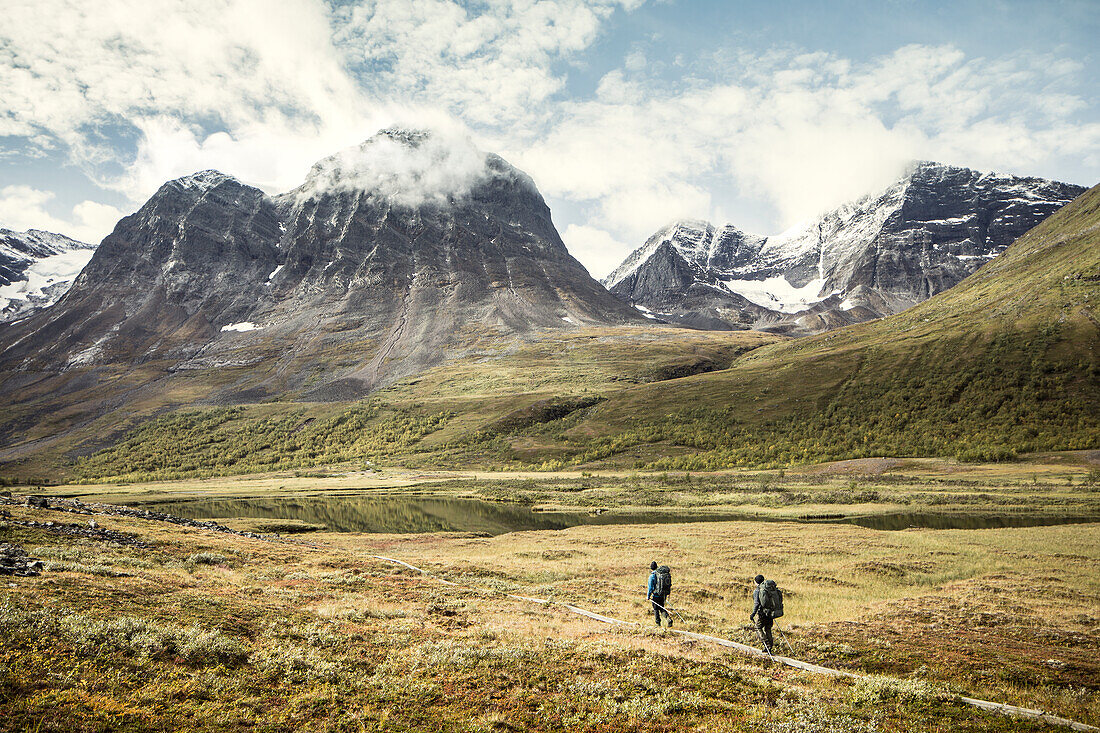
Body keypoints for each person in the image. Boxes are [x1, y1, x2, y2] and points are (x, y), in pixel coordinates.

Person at [749, 574, 774, 652]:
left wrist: (753, 614)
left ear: (756, 582)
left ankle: (766, 645)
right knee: (768, 629)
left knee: (758, 627)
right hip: (770, 612)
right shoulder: (768, 589)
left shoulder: (757, 590)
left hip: (762, 613)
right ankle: (770, 645)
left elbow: (756, 604)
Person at [646, 561, 672, 627]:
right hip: (663, 594)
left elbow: (650, 587)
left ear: (651, 568)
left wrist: (648, 596)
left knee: (655, 608)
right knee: (661, 607)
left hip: (656, 594)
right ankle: (668, 619)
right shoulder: (660, 574)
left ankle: (658, 623)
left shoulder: (652, 576)